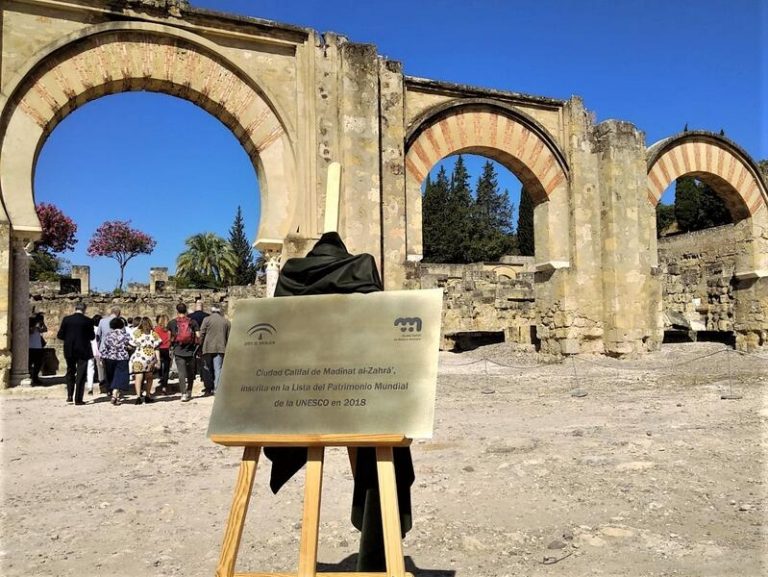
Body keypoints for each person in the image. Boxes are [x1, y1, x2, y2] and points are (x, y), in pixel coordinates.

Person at [56, 301, 95, 405]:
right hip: (83, 350)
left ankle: (69, 395)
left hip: (69, 349)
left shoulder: (67, 319)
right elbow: (92, 337)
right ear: (84, 309)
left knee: (70, 372)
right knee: (81, 374)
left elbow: (60, 335)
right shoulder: (88, 321)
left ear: (75, 308)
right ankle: (78, 398)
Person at [167, 303, 200, 402]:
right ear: (186, 311)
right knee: (190, 372)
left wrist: (171, 347)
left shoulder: (172, 323)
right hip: (191, 351)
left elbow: (169, 338)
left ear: (177, 311)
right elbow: (198, 335)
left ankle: (183, 394)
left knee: (181, 373)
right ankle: (189, 391)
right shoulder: (193, 322)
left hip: (178, 350)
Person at [129, 317, 162, 404]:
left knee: (138, 377)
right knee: (149, 377)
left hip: (138, 357)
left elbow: (131, 344)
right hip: (149, 358)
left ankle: (138, 396)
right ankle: (148, 395)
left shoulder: (136, 333)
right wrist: (158, 360)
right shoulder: (153, 334)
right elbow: (157, 347)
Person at [199, 304, 230, 394]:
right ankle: (217, 389)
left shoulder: (206, 320)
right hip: (221, 347)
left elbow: (202, 334)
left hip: (207, 347)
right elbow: (229, 337)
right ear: (220, 311)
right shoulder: (226, 321)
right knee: (218, 369)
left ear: (211, 311)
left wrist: (199, 345)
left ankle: (208, 387)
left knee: (206, 368)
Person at [101, 317, 131, 405]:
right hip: (122, 358)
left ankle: (115, 396)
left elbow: (104, 347)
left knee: (112, 376)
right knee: (120, 376)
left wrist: (103, 357)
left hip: (110, 357)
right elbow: (130, 345)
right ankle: (115, 394)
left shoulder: (108, 335)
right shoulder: (126, 335)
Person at [188, 299, 212, 392]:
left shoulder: (190, 317)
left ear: (195, 306)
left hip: (193, 341)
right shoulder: (207, 316)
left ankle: (192, 375)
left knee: (192, 359)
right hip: (205, 340)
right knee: (204, 360)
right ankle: (203, 376)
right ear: (203, 307)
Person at [96, 306, 121, 393]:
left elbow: (98, 335)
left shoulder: (102, 321)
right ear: (118, 313)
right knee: (116, 369)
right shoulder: (120, 321)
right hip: (117, 349)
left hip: (105, 349)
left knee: (106, 369)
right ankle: (114, 387)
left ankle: (109, 388)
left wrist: (98, 348)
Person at [154, 314, 172, 395]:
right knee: (167, 368)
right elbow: (171, 339)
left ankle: (160, 377)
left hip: (158, 348)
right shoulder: (169, 330)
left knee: (159, 364)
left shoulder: (156, 329)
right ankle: (164, 386)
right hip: (167, 349)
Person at [28, 313, 47, 385]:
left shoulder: (39, 327)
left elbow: (45, 330)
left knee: (38, 364)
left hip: (38, 347)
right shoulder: (30, 325)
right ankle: (30, 377)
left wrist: (42, 323)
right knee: (29, 364)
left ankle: (35, 378)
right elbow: (30, 331)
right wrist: (35, 326)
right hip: (30, 347)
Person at [86, 314, 102, 395]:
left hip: (90, 350)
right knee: (100, 367)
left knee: (90, 368)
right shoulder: (101, 329)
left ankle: (90, 387)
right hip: (99, 350)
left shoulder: (89, 329)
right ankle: (101, 383)